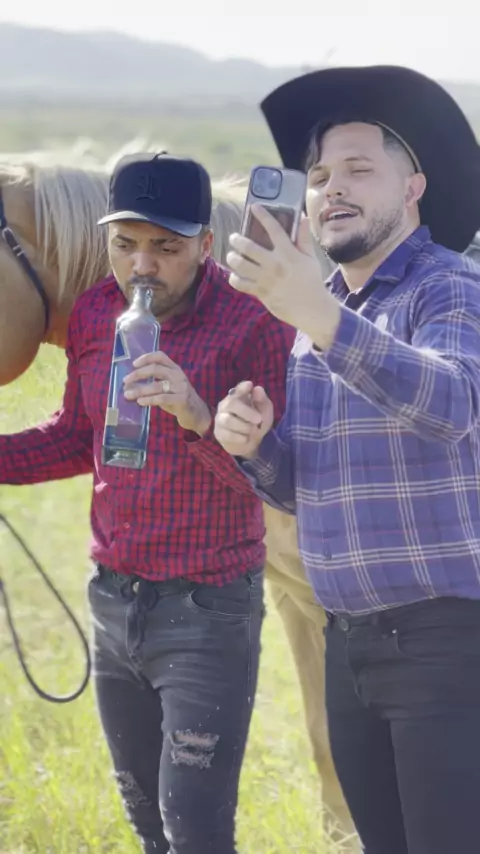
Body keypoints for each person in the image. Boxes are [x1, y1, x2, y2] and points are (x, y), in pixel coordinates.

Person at [214, 64, 480, 854]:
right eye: (321, 174)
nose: (332, 187)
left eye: (360, 169)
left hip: (445, 643)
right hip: (349, 645)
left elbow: (452, 403)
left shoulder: (450, 287)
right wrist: (258, 447)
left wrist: (320, 316)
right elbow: (312, 489)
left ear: (413, 189)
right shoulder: (321, 317)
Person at [0, 152, 295, 854]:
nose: (142, 266)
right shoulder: (96, 312)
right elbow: (78, 437)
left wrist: (196, 414)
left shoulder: (253, 322)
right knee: (145, 822)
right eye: (125, 243)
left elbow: (276, 480)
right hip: (114, 600)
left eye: (165, 247)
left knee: (195, 830)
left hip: (206, 611)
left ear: (205, 243)